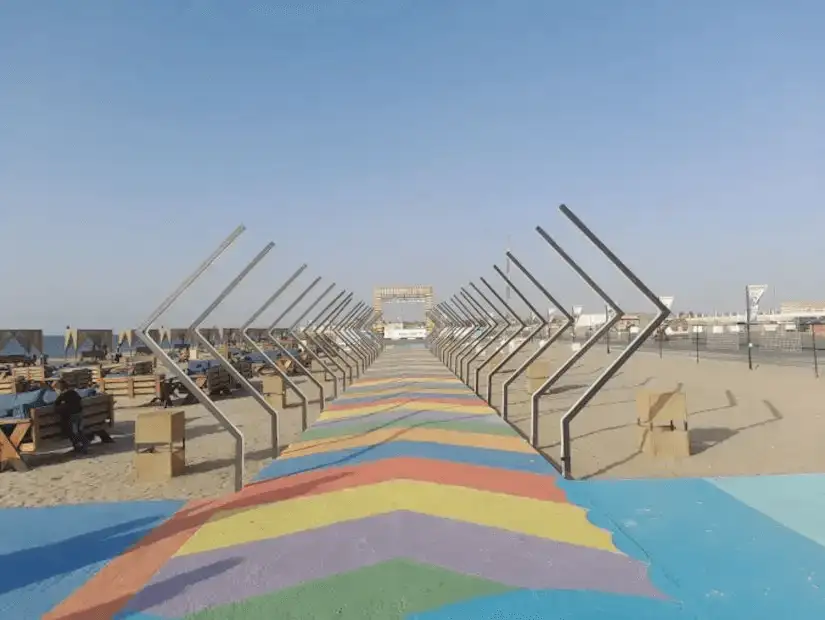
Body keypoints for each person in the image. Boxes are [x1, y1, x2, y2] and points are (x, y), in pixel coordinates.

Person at [54, 380, 89, 454]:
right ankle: (82, 445)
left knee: (73, 432)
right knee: (79, 431)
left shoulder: (62, 396)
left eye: (56, 390)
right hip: (79, 414)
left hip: (71, 416)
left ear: (59, 389)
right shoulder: (74, 393)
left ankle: (82, 445)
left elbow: (56, 406)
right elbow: (79, 400)